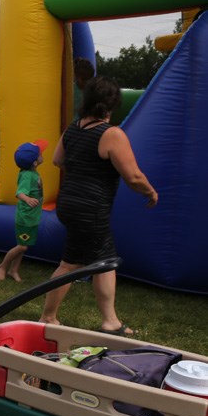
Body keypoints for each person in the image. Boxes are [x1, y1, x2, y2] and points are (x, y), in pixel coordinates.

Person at [39, 76, 158, 335]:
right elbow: (133, 176)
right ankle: (106, 321)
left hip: (69, 202)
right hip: (91, 208)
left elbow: (57, 160)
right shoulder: (111, 134)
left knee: (76, 259)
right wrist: (150, 191)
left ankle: (52, 316)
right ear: (112, 104)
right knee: (100, 260)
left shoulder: (73, 128)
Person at [0, 141, 46, 282]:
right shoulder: (27, 175)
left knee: (25, 245)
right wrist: (28, 199)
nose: (42, 154)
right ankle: (2, 266)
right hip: (25, 217)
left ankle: (14, 270)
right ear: (35, 162)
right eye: (40, 154)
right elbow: (19, 193)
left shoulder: (32, 172)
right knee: (22, 246)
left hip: (32, 216)